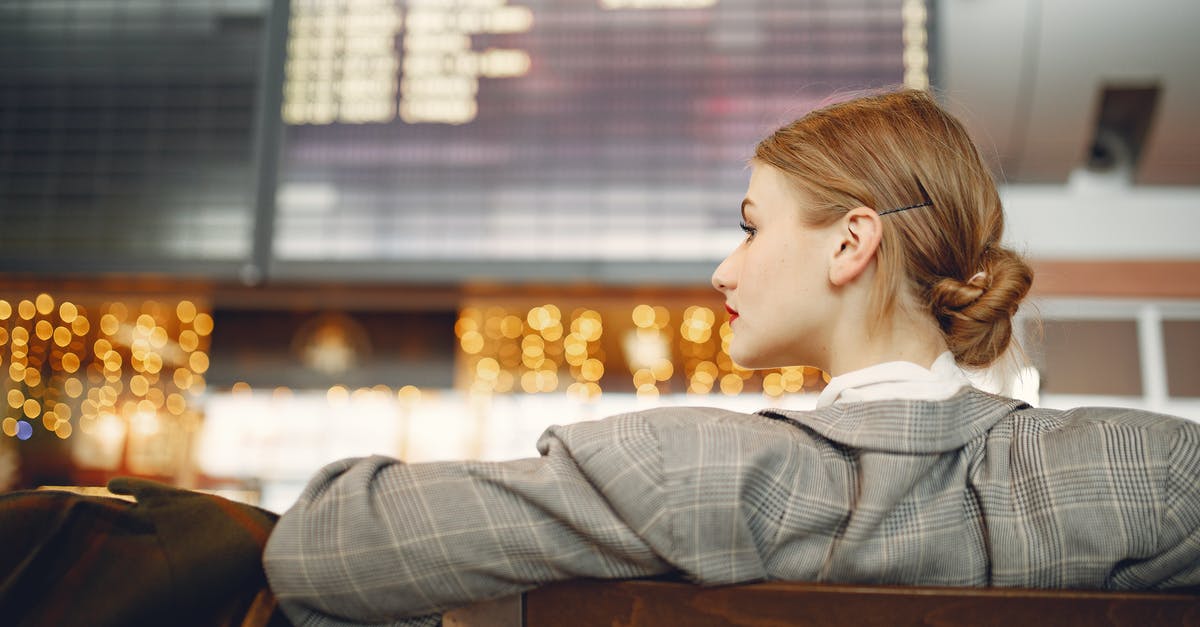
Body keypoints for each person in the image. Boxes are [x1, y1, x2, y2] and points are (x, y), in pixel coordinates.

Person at [262, 89, 1200, 626]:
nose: (723, 268)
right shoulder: (1152, 478)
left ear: (851, 244)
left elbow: (321, 549)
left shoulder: (684, 473)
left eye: (750, 228)